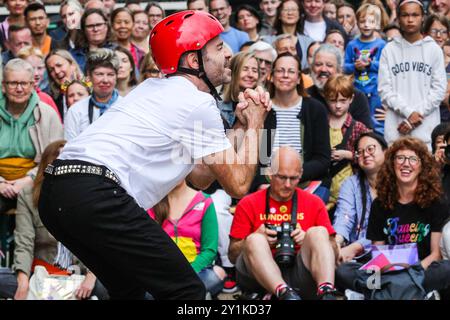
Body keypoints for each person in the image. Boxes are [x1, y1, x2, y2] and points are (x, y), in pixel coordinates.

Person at [38, 10, 271, 300]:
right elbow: (237, 184)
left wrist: (240, 124)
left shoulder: (155, 89)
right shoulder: (196, 102)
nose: (229, 55)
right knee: (187, 292)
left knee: (128, 289)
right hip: (95, 191)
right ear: (193, 60)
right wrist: (257, 122)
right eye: (219, 47)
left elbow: (200, 178)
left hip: (56, 193)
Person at [0, 140, 109, 300]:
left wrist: (90, 278)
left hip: (79, 276)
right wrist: (23, 282)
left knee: (111, 285)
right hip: (39, 274)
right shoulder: (29, 195)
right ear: (46, 167)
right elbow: (24, 242)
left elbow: (99, 242)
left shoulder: (88, 196)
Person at [229, 146, 341, 300]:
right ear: (269, 173)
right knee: (255, 240)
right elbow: (233, 256)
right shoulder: (248, 203)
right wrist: (255, 238)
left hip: (301, 272)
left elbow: (334, 251)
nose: (288, 184)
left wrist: (307, 238)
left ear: (301, 174)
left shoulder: (314, 203)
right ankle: (283, 293)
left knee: (319, 232)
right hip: (258, 276)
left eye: (293, 178)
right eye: (281, 177)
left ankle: (326, 292)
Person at [341, 137, 450, 294]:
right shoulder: (380, 204)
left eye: (413, 159)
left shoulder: (435, 201)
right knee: (344, 270)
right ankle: (405, 292)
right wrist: (391, 272)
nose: (406, 163)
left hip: (420, 272)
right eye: (400, 158)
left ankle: (390, 292)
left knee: (446, 269)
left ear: (422, 166)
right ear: (392, 164)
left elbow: (435, 254)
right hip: (387, 272)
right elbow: (377, 252)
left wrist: (411, 273)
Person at [252, 52, 331, 203]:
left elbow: (322, 159)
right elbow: (260, 158)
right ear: (271, 76)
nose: (285, 75)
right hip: (269, 182)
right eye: (280, 71)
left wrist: (293, 175)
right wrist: (264, 181)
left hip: (308, 181)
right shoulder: (263, 110)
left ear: (299, 78)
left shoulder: (315, 109)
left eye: (291, 71)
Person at [378, 0, 447, 149]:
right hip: (396, 131)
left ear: (423, 17)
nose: (410, 20)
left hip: (427, 133)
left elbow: (439, 90)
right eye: (405, 15)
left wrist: (415, 117)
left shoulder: (433, 49)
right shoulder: (389, 50)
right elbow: (384, 90)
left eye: (415, 15)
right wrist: (408, 113)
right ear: (398, 18)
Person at [0, 59, 63, 217]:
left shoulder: (47, 114)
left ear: (33, 85)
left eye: (24, 83)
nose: (19, 89)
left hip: (36, 181)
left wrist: (29, 179)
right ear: (3, 85)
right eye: (13, 83)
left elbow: (56, 157)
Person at [149, 179, 226, 297]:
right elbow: (150, 246)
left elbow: (209, 250)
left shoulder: (205, 201)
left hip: (195, 271)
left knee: (215, 276)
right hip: (163, 272)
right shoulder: (153, 201)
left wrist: (187, 273)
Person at [333, 132, 387, 262]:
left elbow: (389, 228)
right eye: (360, 152)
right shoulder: (351, 184)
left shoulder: (398, 182)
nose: (365, 154)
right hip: (355, 256)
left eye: (370, 149)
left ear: (386, 152)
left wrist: (357, 247)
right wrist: (336, 243)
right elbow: (344, 216)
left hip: (390, 251)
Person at [324, 74, 370, 211]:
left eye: (343, 101)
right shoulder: (320, 123)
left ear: (351, 99)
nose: (338, 106)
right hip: (324, 187)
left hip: (350, 190)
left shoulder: (358, 128)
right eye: (333, 101)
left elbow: (370, 156)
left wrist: (349, 155)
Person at [308, 43, 373, 129]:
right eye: (318, 64)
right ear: (312, 68)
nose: (323, 69)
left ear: (339, 70)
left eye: (329, 65)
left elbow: (366, 136)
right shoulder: (304, 97)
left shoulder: (357, 97)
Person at [344, 3, 386, 135]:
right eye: (362, 21)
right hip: (357, 91)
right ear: (357, 22)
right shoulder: (352, 45)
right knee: (356, 122)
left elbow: (386, 67)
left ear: (377, 24)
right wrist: (355, 67)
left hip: (375, 92)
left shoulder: (381, 44)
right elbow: (344, 67)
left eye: (371, 21)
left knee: (376, 122)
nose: (366, 25)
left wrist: (370, 65)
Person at [64, 48, 122, 141]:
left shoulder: (127, 107)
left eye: (110, 74)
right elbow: (69, 148)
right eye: (99, 74)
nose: (105, 80)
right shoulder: (76, 111)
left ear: (116, 76)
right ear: (89, 76)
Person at [16, 46, 61, 121]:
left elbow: (57, 128)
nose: (36, 73)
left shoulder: (46, 99)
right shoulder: (11, 97)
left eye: (40, 68)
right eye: (30, 68)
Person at [270, 0, 314, 70]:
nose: (290, 13)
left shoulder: (308, 42)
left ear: (299, 15)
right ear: (279, 15)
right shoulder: (268, 41)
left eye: (293, 10)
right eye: (286, 10)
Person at [220, 51, 260, 128]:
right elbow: (220, 139)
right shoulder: (217, 106)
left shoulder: (264, 106)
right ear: (233, 72)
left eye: (254, 70)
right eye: (245, 69)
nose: (250, 75)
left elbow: (267, 139)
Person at [71, 8, 116, 73]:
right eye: (90, 26)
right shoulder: (73, 55)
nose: (95, 29)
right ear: (83, 30)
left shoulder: (118, 51)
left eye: (99, 25)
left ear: (106, 26)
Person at [45, 49, 84, 120]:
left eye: (59, 65)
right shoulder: (52, 99)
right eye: (51, 70)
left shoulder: (90, 88)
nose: (56, 71)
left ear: (72, 65)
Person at [111, 7, 145, 72]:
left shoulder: (140, 54)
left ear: (133, 24)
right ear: (112, 24)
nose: (123, 26)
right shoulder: (107, 52)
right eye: (118, 22)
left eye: (127, 22)